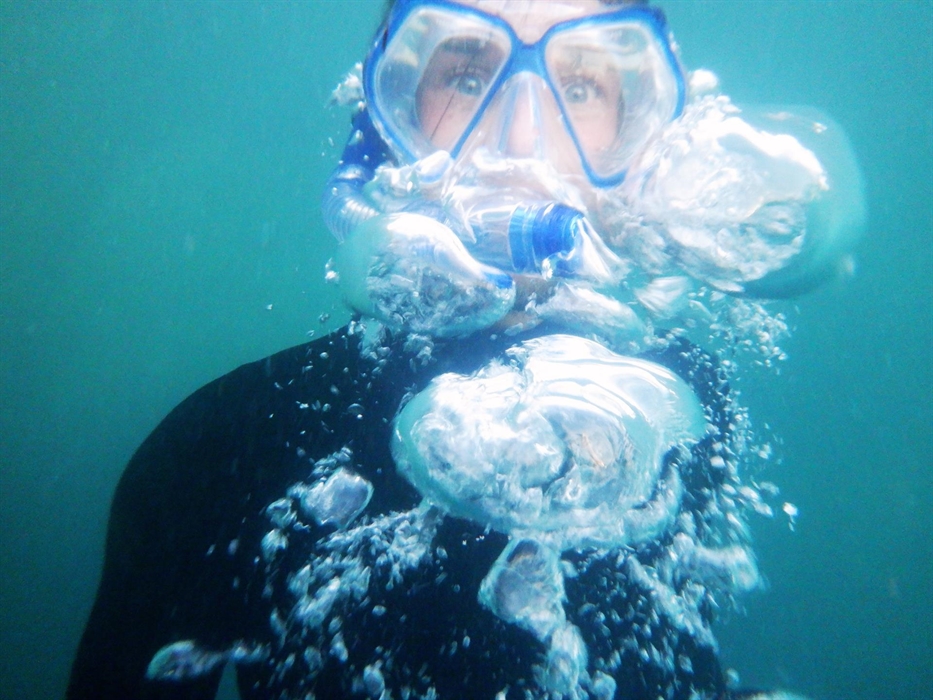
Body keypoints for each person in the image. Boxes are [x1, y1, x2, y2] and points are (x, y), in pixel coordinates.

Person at [68, 1, 863, 699]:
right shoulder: (222, 452)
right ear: (384, 122)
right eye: (467, 73)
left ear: (641, 137)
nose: (521, 139)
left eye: (579, 85)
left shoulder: (686, 408)